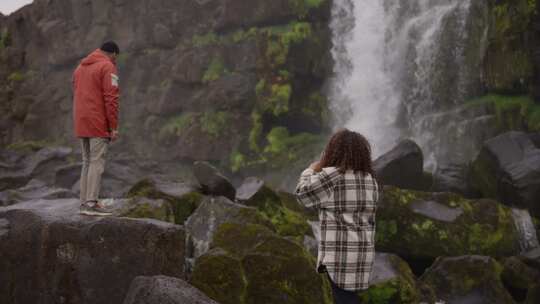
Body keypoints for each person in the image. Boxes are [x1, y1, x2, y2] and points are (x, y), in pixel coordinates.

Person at [295, 129, 379, 304]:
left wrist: (311, 170)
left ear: (334, 151)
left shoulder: (332, 176)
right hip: (362, 257)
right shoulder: (370, 180)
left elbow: (302, 195)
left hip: (338, 260)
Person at [73, 41, 120, 216]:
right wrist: (113, 126)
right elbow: (111, 99)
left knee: (86, 161)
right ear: (114, 54)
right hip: (97, 121)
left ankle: (84, 201)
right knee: (96, 162)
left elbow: (76, 93)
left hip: (81, 119)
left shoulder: (79, 68)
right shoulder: (107, 66)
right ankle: (91, 204)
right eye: (116, 58)